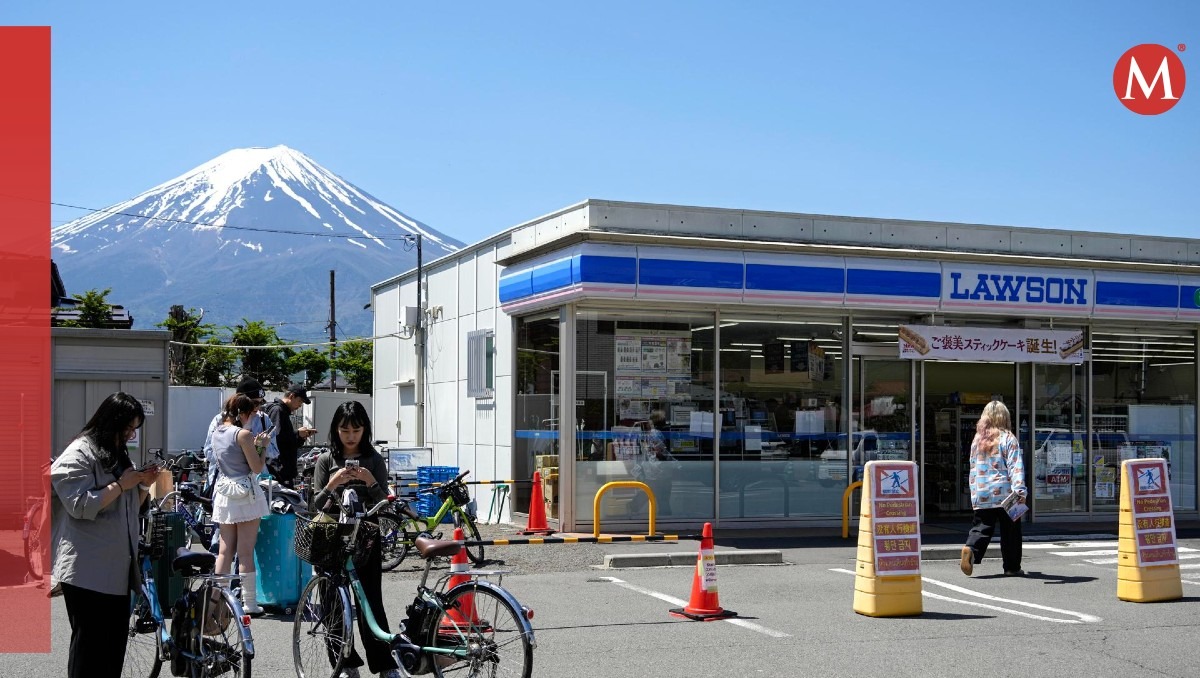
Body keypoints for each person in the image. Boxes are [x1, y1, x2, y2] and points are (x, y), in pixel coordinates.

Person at [50, 392, 160, 678]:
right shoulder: (79, 452)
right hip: (87, 571)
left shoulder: (116, 453)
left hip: (116, 570)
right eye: (127, 428)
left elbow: (129, 509)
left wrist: (143, 485)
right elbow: (79, 505)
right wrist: (121, 485)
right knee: (89, 652)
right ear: (111, 422)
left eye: (134, 428)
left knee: (113, 651)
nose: (131, 434)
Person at [310, 401, 402, 678]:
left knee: (370, 601)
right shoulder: (326, 460)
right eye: (344, 430)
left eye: (356, 430)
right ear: (335, 430)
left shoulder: (374, 460)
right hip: (331, 536)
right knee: (333, 602)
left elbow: (385, 503)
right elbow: (316, 504)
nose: (350, 436)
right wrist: (333, 483)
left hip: (366, 536)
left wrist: (370, 481)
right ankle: (344, 663)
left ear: (365, 430)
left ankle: (385, 665)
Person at [211, 393, 272, 614]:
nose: (253, 419)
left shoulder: (217, 432)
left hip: (225, 493)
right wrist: (262, 446)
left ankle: (217, 600)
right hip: (245, 494)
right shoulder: (243, 434)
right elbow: (256, 467)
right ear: (244, 414)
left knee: (224, 551)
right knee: (245, 551)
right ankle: (250, 603)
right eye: (252, 414)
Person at [960, 399, 1027, 577]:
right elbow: (1015, 466)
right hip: (1006, 493)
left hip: (982, 491)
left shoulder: (977, 440)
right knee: (1011, 530)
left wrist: (974, 492)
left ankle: (971, 548)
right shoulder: (1008, 438)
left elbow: (973, 467)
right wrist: (1020, 491)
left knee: (982, 526)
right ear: (1005, 417)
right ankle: (1012, 567)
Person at [202, 376, 278, 494]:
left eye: (261, 402)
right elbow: (209, 452)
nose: (258, 407)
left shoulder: (264, 419)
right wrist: (246, 451)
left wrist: (261, 446)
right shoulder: (220, 420)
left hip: (257, 483)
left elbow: (275, 452)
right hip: (225, 484)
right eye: (255, 403)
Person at [262, 383, 318, 487]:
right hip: (278, 471)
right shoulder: (278, 410)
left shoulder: (283, 412)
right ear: (291, 396)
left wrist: (300, 437)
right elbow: (275, 439)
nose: (300, 405)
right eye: (300, 401)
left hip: (283, 471)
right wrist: (297, 433)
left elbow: (288, 442)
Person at [635, 409, 679, 517]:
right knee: (663, 498)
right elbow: (660, 451)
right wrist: (675, 463)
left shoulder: (647, 433)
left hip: (651, 471)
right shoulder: (656, 433)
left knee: (651, 493)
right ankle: (665, 518)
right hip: (660, 471)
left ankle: (633, 506)